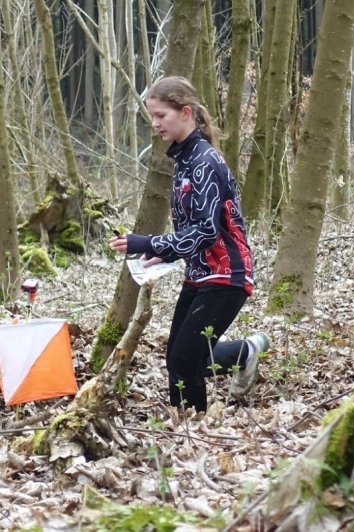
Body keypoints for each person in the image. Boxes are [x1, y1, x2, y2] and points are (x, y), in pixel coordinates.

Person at [110, 76, 268, 413]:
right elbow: (193, 229)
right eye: (151, 116)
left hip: (228, 277)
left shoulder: (204, 162)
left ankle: (190, 432)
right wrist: (158, 252)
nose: (155, 124)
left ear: (185, 113)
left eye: (160, 115)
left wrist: (147, 241)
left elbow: (207, 232)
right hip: (200, 274)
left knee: (184, 359)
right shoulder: (184, 160)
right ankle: (244, 353)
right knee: (179, 357)